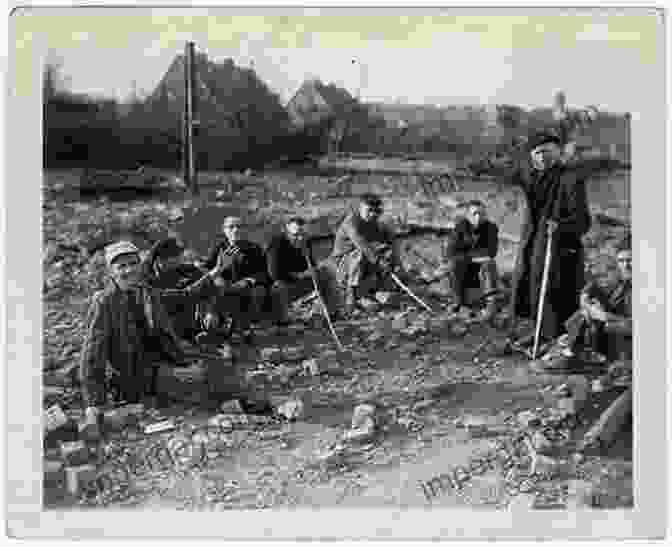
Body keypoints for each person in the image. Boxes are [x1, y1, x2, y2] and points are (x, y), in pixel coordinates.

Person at [78, 241, 226, 437]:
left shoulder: (146, 291)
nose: (129, 270)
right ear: (111, 272)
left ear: (140, 266)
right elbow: (92, 355)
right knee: (202, 378)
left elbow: (185, 295)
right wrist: (94, 403)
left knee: (217, 364)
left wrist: (215, 272)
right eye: (121, 266)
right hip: (135, 376)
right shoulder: (105, 302)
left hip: (161, 362)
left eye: (133, 264)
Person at [504, 131, 592, 345]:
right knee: (532, 285)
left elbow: (583, 221)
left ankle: (556, 340)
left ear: (558, 151)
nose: (541, 157)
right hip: (534, 241)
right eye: (536, 153)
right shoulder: (531, 176)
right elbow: (509, 169)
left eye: (546, 151)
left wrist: (561, 226)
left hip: (561, 246)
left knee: (554, 290)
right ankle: (539, 333)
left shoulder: (571, 179)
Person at [539, 236, 632, 372]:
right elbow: (591, 288)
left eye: (630, 260)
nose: (626, 265)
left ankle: (573, 353)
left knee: (592, 321)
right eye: (621, 261)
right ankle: (572, 352)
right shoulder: (617, 281)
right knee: (583, 315)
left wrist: (604, 316)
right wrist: (587, 304)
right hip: (606, 330)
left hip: (623, 337)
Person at [328, 193, 402, 315]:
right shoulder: (351, 222)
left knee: (385, 251)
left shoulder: (375, 223)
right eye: (369, 210)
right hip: (343, 265)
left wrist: (395, 261)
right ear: (360, 208)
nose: (372, 214)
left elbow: (383, 243)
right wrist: (379, 261)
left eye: (376, 211)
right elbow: (362, 244)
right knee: (359, 254)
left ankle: (382, 289)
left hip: (365, 262)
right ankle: (351, 294)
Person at [201, 216, 269, 343]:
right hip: (225, 288)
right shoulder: (219, 248)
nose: (236, 230)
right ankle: (220, 326)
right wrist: (217, 277)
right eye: (231, 227)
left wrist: (249, 280)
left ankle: (248, 326)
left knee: (257, 291)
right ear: (224, 230)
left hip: (247, 287)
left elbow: (265, 273)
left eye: (239, 227)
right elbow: (206, 269)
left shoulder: (254, 248)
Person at [142, 237, 213, 342]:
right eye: (173, 257)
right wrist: (216, 271)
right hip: (162, 327)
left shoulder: (187, 270)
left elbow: (209, 288)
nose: (179, 260)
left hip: (191, 323)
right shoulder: (147, 278)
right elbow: (178, 296)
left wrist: (210, 311)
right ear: (158, 260)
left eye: (179, 256)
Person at [441, 200, 500, 320]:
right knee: (454, 264)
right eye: (475, 214)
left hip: (480, 268)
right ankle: (458, 303)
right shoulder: (460, 227)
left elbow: (491, 252)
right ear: (468, 216)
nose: (478, 217)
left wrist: (468, 255)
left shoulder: (491, 228)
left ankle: (490, 305)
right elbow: (451, 253)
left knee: (489, 264)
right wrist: (471, 257)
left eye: (481, 214)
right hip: (463, 267)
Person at [266, 217, 318, 326]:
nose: (300, 238)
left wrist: (312, 269)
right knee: (278, 286)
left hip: (300, 282)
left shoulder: (305, 241)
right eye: (296, 235)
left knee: (326, 272)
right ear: (287, 231)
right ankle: (283, 320)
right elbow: (274, 274)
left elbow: (312, 265)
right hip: (282, 286)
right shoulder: (276, 244)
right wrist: (299, 275)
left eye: (303, 234)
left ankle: (330, 312)